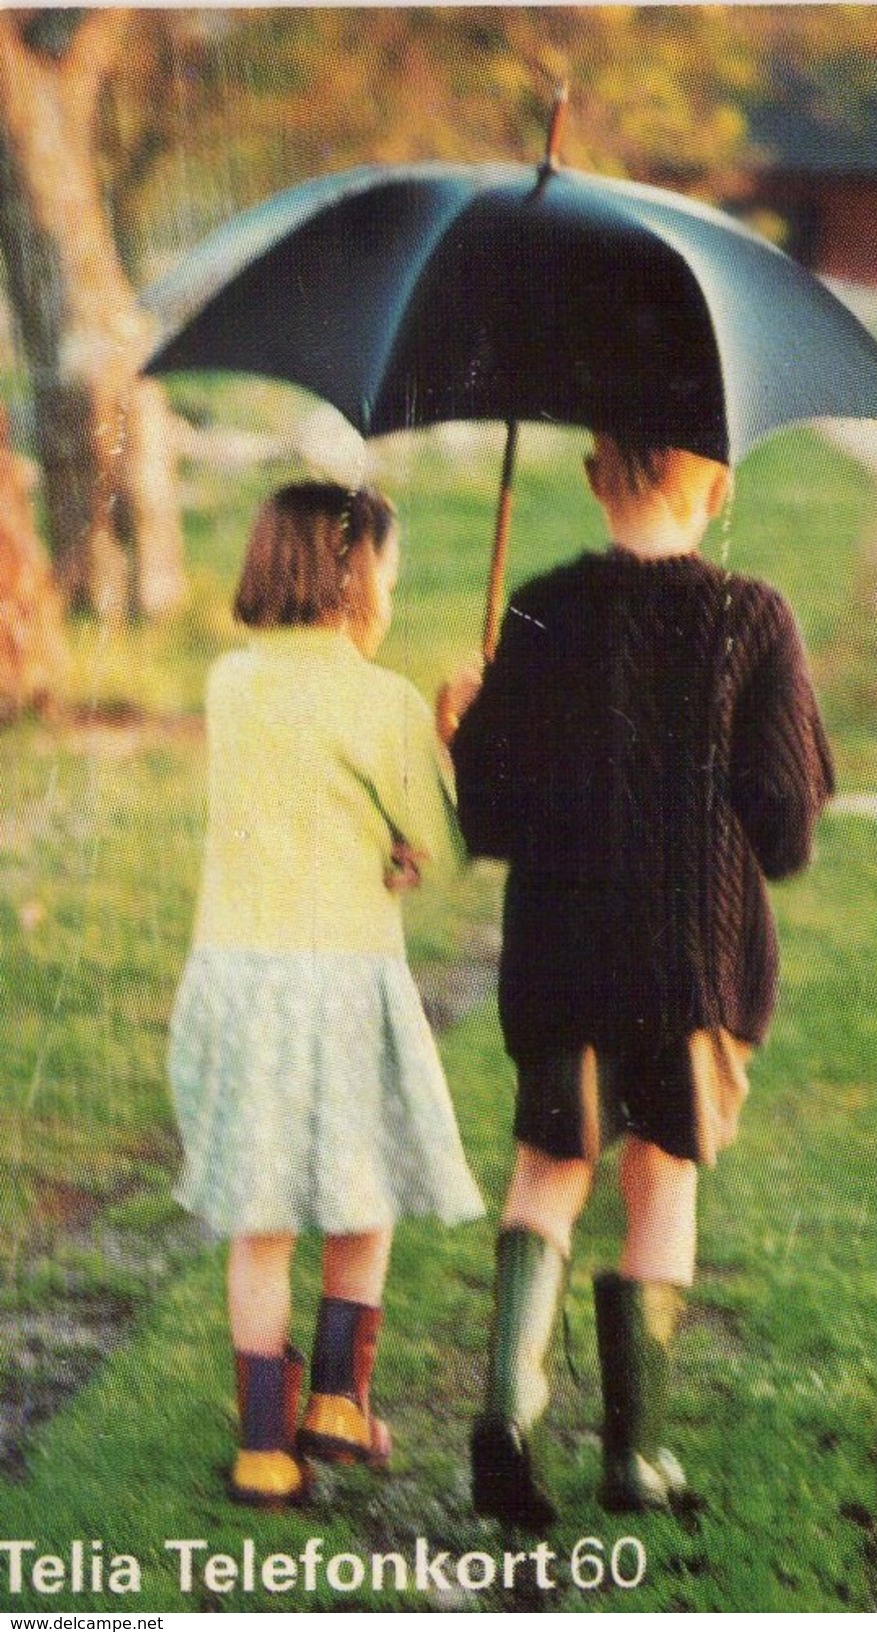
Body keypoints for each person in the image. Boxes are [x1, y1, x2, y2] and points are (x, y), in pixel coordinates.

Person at [447, 431, 835, 1525]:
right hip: (696, 969)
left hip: (562, 964)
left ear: (589, 476)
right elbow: (786, 824)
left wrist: (466, 723)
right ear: (718, 490)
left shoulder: (538, 605)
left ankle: (508, 1411)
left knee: (546, 1176)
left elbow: (490, 815)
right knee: (663, 1183)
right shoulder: (754, 617)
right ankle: (636, 1457)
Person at [169, 481, 484, 1508]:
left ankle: (264, 1445)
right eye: (387, 571)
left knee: (262, 1221)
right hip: (343, 983)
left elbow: (307, 801)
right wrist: (448, 732)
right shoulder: (382, 700)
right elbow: (429, 831)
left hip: (240, 979)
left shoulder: (230, 684)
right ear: (354, 581)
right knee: (363, 1189)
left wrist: (382, 839)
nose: (393, 591)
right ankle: (341, 1402)